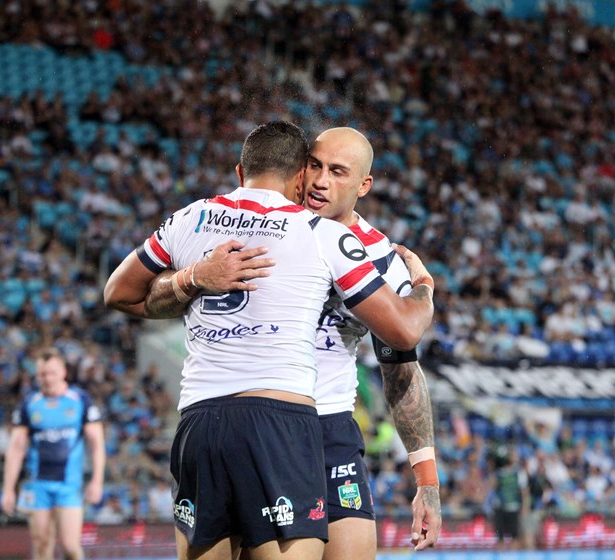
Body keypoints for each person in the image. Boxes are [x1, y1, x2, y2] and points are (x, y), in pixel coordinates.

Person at [103, 121, 435, 560]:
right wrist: (193, 279)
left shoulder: (378, 256)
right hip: (270, 420)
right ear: (297, 170)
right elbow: (132, 294)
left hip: (326, 428)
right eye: (314, 165)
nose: (320, 180)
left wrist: (426, 479)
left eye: (337, 172)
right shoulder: (284, 229)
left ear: (363, 185)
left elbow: (401, 370)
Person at [0, 347, 105, 560]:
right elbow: (16, 449)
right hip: (37, 484)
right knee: (41, 545)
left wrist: (96, 481)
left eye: (52, 372)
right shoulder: (29, 404)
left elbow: (97, 444)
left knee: (69, 547)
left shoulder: (81, 400)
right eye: (42, 374)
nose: (47, 378)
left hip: (69, 484)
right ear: (37, 375)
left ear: (63, 372)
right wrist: (8, 489)